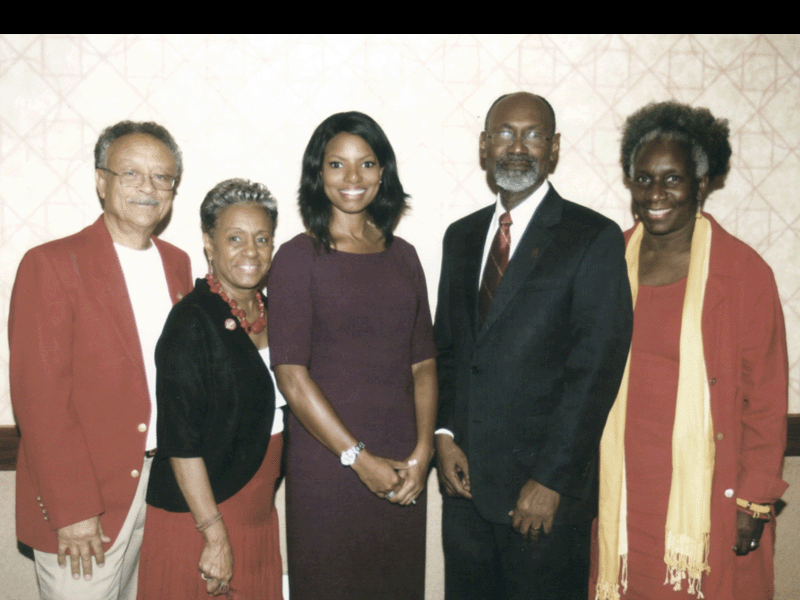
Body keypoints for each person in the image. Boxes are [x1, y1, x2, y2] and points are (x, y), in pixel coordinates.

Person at [434, 92, 633, 600]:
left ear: (555, 147)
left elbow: (595, 372)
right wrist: (444, 433)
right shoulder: (460, 237)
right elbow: (451, 352)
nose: (517, 146)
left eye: (534, 134)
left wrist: (551, 481)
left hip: (542, 498)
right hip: (466, 491)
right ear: (484, 146)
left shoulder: (592, 237)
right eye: (504, 133)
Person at [593, 101, 789, 600]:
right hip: (620, 489)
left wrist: (754, 503)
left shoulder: (743, 273)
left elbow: (765, 401)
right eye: (643, 179)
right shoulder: (606, 262)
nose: (655, 194)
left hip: (706, 497)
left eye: (672, 179)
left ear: (702, 185)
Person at [9, 121, 192, 599]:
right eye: (131, 173)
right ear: (100, 180)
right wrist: (72, 512)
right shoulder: (50, 264)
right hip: (86, 501)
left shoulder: (178, 264)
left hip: (162, 489)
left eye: (162, 177)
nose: (148, 188)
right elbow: (40, 400)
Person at [268, 111, 437, 600]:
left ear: (383, 172)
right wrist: (358, 459)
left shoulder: (404, 256)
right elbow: (292, 377)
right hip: (329, 466)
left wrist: (423, 453)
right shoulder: (299, 257)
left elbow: (423, 362)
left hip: (403, 464)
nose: (353, 178)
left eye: (366, 164)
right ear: (317, 174)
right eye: (337, 165)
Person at [136, 178, 284, 599]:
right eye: (234, 238)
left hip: (257, 513)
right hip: (201, 517)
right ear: (208, 243)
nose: (250, 251)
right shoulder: (191, 321)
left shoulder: (278, 313)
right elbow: (180, 442)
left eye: (262, 238)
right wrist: (214, 534)